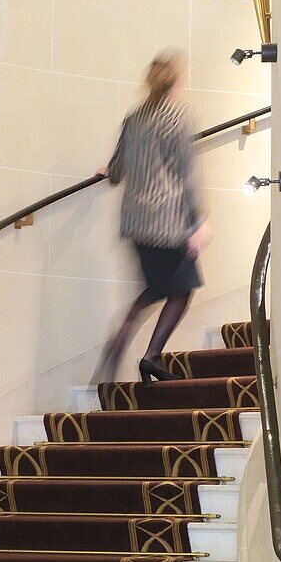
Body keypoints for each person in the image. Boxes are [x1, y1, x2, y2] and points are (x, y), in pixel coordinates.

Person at [95, 49, 210, 384]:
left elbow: (117, 171)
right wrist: (197, 221)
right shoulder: (179, 116)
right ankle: (151, 356)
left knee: (156, 289)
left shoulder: (134, 118)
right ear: (176, 82)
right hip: (168, 221)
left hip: (135, 223)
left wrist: (107, 172)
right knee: (182, 289)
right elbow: (187, 175)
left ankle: (123, 347)